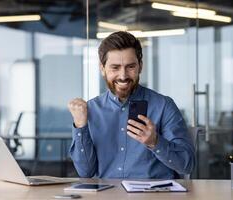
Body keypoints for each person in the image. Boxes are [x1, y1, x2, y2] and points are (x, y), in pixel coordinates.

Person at [68, 31, 195, 179]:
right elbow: (86, 173)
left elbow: (187, 165)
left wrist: (155, 142)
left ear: (140, 66)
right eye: (115, 67)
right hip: (109, 194)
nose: (123, 76)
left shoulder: (163, 106)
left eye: (130, 67)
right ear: (102, 68)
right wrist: (80, 127)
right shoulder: (90, 110)